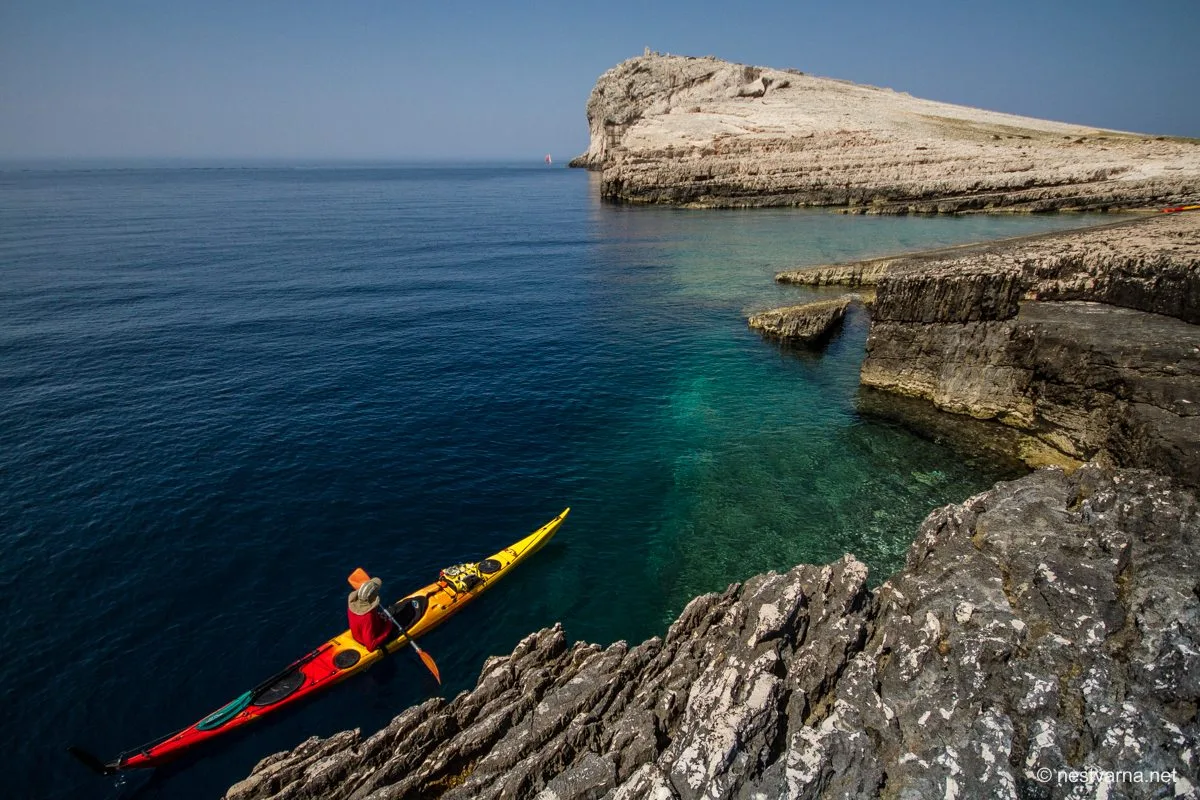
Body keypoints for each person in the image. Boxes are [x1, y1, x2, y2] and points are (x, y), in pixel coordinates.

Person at [347, 577, 395, 651]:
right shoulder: (367, 617)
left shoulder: (352, 606)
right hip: (367, 640)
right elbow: (370, 647)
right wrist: (388, 627)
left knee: (393, 611)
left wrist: (378, 616)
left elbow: (361, 622)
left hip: (359, 635)